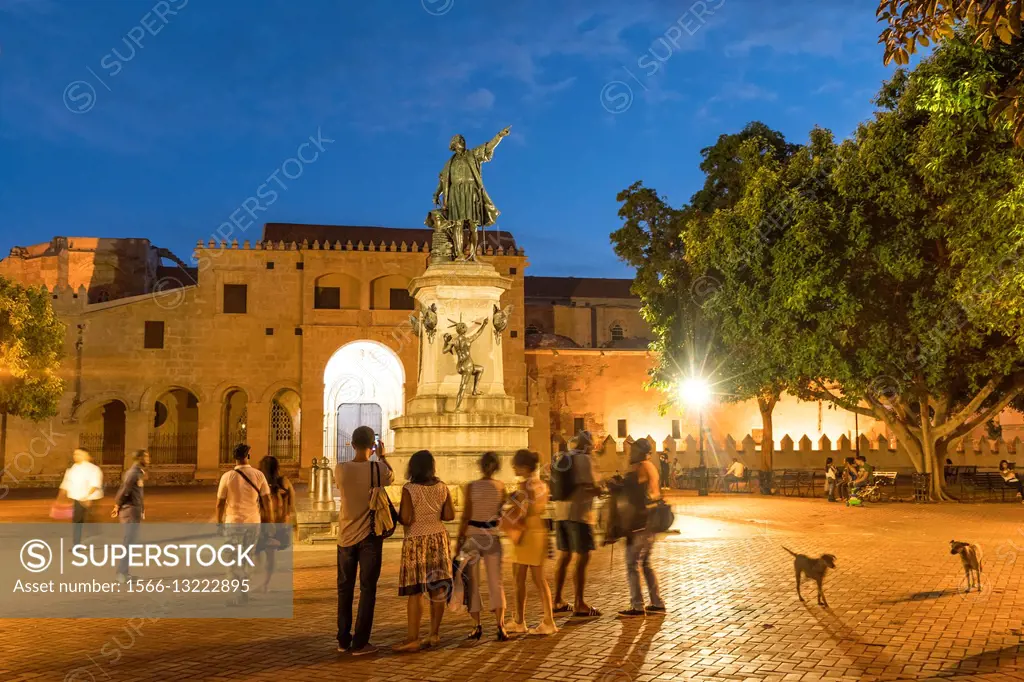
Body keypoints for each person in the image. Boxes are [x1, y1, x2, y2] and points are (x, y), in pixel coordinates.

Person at [335, 426, 393, 656]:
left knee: (344, 589)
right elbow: (392, 477)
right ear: (373, 446)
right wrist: (383, 456)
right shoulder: (378, 468)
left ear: (352, 443)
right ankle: (360, 642)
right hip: (370, 536)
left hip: (345, 536)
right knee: (368, 589)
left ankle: (342, 639)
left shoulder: (340, 469)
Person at [393, 450, 455, 653]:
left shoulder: (409, 489)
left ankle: (413, 638)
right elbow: (448, 515)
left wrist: (395, 514)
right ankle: (434, 634)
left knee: (416, 590)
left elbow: (407, 518)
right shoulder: (442, 487)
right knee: (436, 588)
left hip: (416, 541)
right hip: (438, 538)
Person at [455, 451, 509, 641]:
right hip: (492, 536)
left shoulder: (471, 487)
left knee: (473, 583)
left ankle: (477, 625)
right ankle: (500, 625)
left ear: (481, 466)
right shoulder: (501, 487)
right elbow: (501, 513)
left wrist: (458, 541)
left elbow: (466, 515)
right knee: (496, 582)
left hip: (473, 536)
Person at [552, 430, 601, 620]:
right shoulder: (584, 460)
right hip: (579, 515)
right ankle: (579, 602)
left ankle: (557, 600)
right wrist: (602, 488)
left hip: (560, 514)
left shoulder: (565, 457)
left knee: (564, 556)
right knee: (583, 557)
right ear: (589, 444)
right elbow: (588, 486)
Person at [507, 449, 558, 636]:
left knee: (521, 579)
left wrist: (510, 506)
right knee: (536, 579)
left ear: (525, 467)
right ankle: (522, 620)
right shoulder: (541, 485)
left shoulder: (525, 485)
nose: (513, 467)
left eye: (516, 464)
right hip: (538, 531)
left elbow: (523, 511)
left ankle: (545, 621)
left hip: (526, 533)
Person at [216, 443, 271, 606]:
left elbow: (220, 502)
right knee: (248, 556)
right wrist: (271, 521)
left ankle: (237, 594)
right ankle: (244, 592)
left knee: (232, 558)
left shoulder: (227, 477)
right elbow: (267, 500)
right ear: (248, 456)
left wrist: (219, 523)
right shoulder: (258, 475)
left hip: (233, 522)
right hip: (253, 522)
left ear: (235, 458)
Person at [619, 439, 665, 617]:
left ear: (641, 451)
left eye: (634, 450)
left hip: (642, 521)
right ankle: (657, 602)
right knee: (645, 563)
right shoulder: (649, 465)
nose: (631, 453)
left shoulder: (642, 467)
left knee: (632, 563)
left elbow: (634, 490)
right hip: (650, 518)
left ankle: (637, 605)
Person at [257, 455, 296, 593]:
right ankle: (265, 583)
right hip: (278, 524)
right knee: (270, 555)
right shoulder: (283, 482)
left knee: (257, 553)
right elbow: (292, 503)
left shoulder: (258, 483)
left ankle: (261, 580)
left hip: (262, 523)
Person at [111, 449, 148, 583]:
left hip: (133, 511)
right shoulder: (133, 473)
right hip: (129, 511)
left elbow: (136, 492)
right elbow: (125, 489)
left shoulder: (138, 472)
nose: (148, 460)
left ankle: (124, 573)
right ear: (139, 458)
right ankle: (122, 573)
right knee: (128, 543)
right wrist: (117, 505)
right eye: (146, 457)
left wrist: (142, 509)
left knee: (130, 543)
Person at [58, 448, 104, 546]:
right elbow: (66, 483)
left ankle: (94, 536)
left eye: (78, 454)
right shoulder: (73, 468)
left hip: (90, 499)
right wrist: (60, 497)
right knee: (78, 521)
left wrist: (87, 497)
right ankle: (77, 543)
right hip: (78, 499)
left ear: (85, 455)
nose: (75, 456)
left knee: (88, 520)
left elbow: (95, 484)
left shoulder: (93, 469)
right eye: (75, 454)